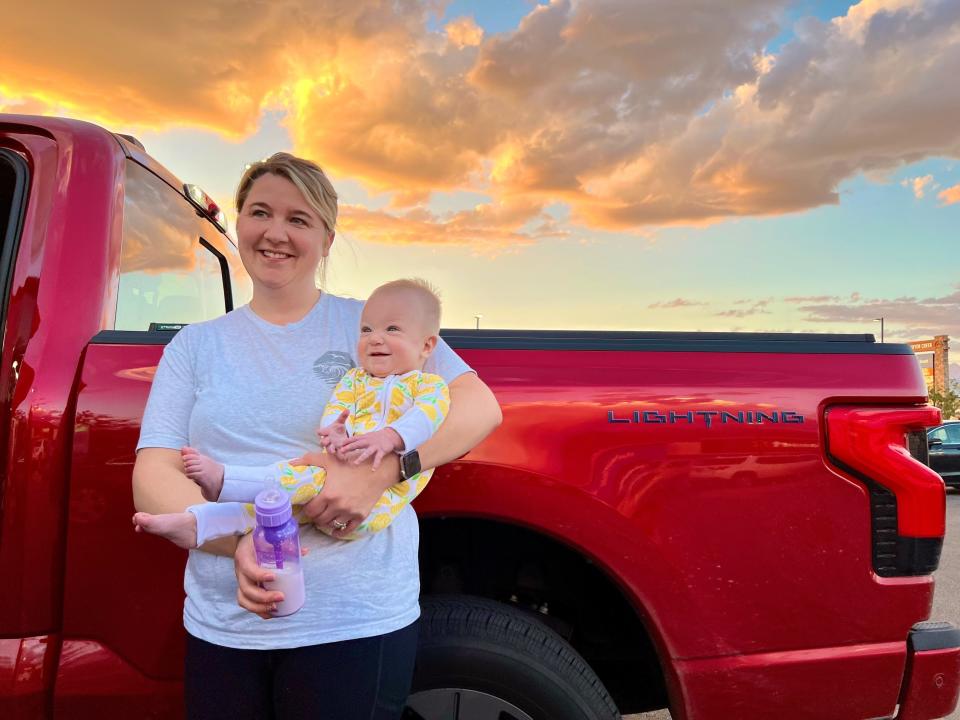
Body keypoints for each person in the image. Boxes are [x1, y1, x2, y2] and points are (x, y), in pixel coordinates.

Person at [131, 152, 502, 720]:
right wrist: (241, 545)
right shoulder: (194, 346)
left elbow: (478, 407)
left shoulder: (379, 323)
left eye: (299, 220)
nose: (276, 233)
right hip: (226, 624)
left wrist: (381, 473)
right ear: (239, 224)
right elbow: (154, 473)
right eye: (260, 213)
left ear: (327, 239)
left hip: (355, 620)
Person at [132, 278, 450, 548]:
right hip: (335, 475)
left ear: (426, 346)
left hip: (375, 505)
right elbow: (338, 407)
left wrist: (390, 439)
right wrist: (335, 432)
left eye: (392, 329)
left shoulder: (429, 386)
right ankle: (203, 523)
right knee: (279, 498)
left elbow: (426, 419)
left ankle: (227, 480)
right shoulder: (355, 378)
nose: (375, 338)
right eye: (366, 330)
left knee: (301, 479)